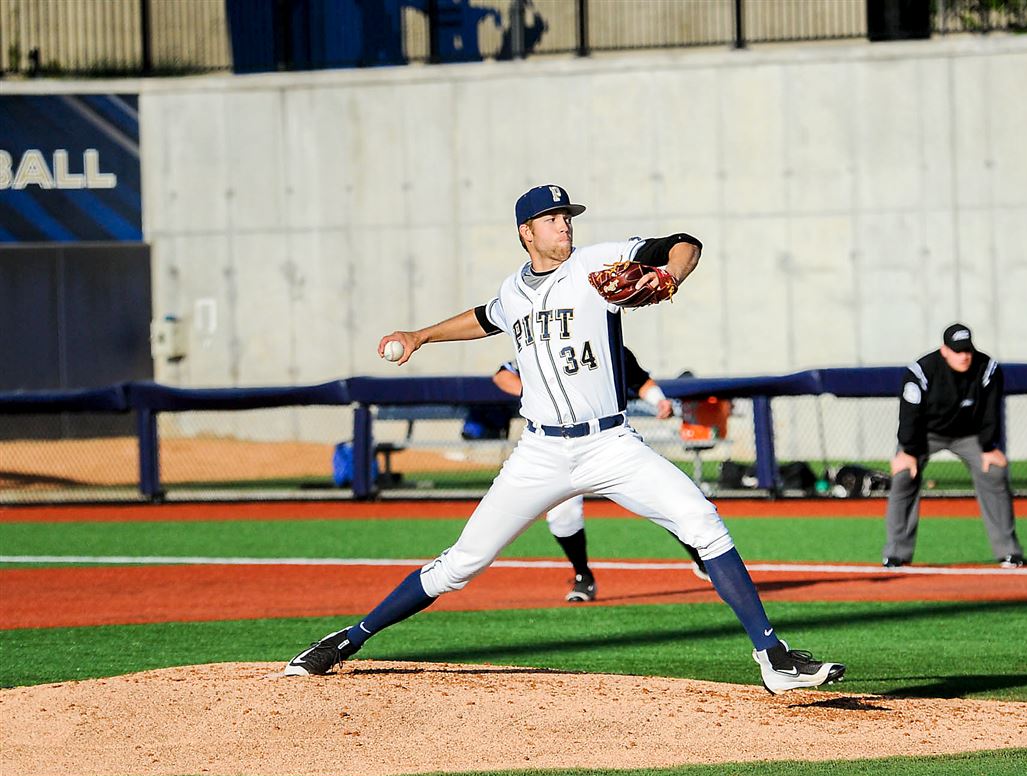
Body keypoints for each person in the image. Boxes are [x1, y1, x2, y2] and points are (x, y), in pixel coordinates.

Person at [284, 184, 845, 694]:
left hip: (611, 445)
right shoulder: (514, 291)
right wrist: (420, 336)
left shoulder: (597, 263)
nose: (564, 225)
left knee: (703, 522)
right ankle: (349, 638)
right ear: (526, 233)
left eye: (567, 216)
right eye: (552, 219)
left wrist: (669, 273)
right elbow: (485, 316)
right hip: (541, 452)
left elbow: (685, 243)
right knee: (460, 565)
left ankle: (772, 656)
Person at [491, 350, 711, 602]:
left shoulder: (604, 340)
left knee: (657, 501)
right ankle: (583, 576)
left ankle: (701, 558)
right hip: (557, 446)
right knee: (563, 515)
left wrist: (659, 400)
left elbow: (639, 381)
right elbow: (503, 375)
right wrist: (534, 394)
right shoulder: (546, 344)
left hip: (607, 444)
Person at [882, 323, 1027, 569]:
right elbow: (909, 416)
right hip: (926, 434)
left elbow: (991, 413)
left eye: (967, 350)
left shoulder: (987, 368)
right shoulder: (922, 371)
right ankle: (897, 553)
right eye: (957, 351)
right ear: (944, 350)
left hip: (969, 434)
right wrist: (907, 451)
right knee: (904, 475)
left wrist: (990, 447)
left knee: (994, 472)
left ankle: (1009, 551)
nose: (964, 356)